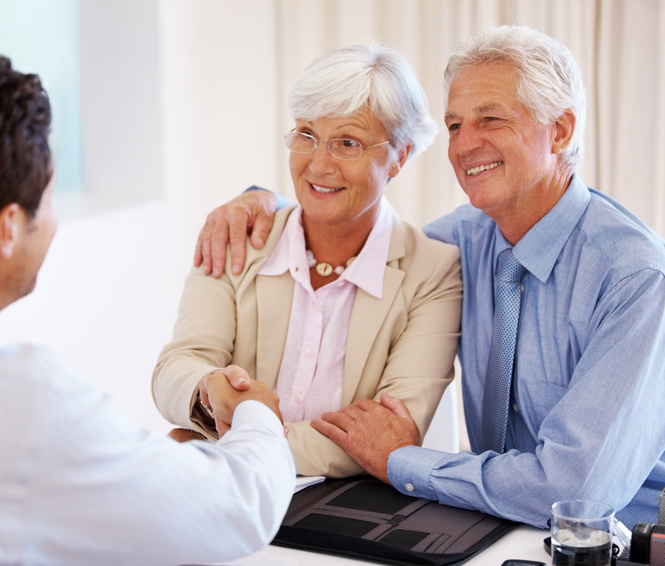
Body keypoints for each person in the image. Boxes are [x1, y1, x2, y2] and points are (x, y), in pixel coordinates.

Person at [192, 25, 665, 529]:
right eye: (456, 124)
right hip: (506, 529)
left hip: (653, 536)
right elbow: (365, 236)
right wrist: (264, 201)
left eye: (490, 119)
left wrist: (401, 458)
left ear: (561, 130)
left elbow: (573, 492)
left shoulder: (638, 279)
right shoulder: (461, 241)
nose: (464, 146)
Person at [0, 53, 295, 565]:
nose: (54, 222)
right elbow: (239, 508)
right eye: (47, 198)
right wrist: (257, 417)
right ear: (6, 228)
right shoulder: (22, 407)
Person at [153, 43, 463, 478]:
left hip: (344, 515)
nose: (318, 164)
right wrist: (207, 389)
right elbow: (176, 368)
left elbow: (388, 435)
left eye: (348, 143)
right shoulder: (238, 236)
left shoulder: (433, 271)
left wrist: (217, 441)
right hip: (223, 497)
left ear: (399, 156)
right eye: (306, 135)